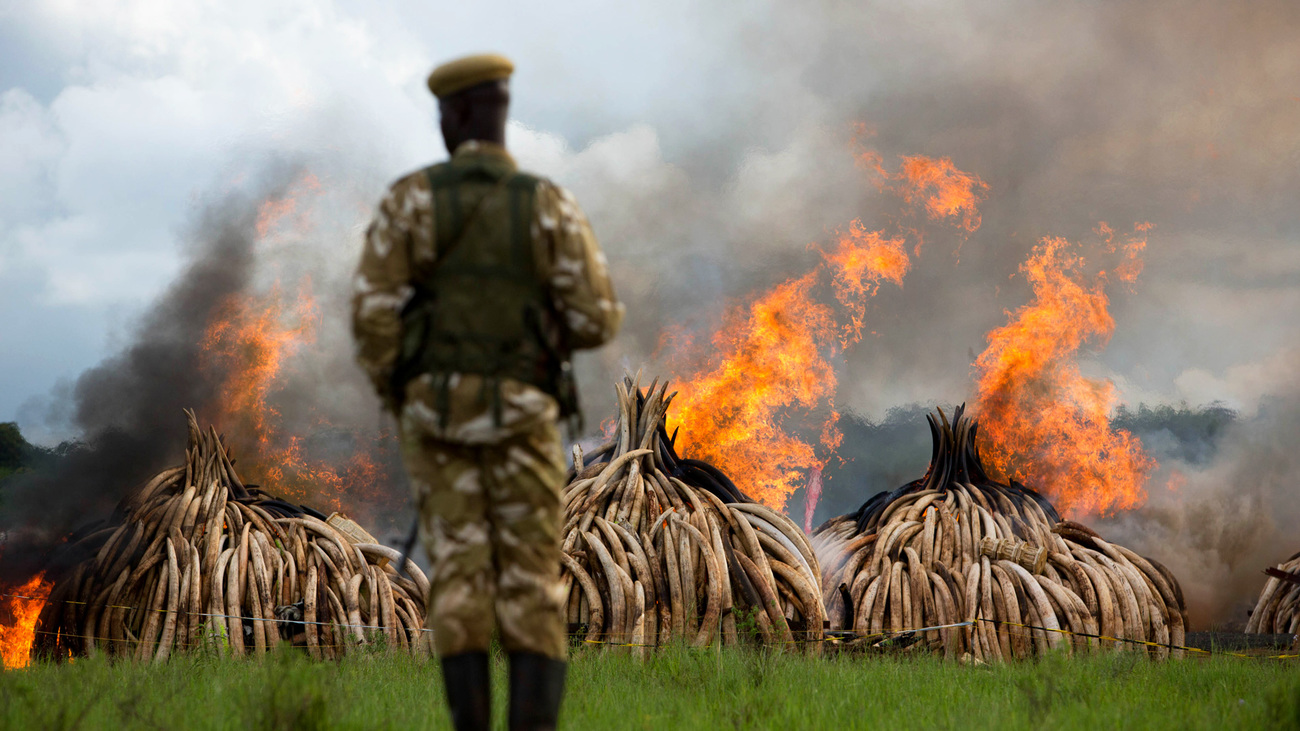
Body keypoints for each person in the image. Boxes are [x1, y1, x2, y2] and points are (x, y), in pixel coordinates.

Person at [351, 53, 623, 731]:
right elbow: (597, 318)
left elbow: (372, 314)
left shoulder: (411, 199)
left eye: (444, 111)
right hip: (526, 419)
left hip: (439, 422)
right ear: (500, 112)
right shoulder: (546, 203)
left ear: (458, 113)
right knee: (534, 584)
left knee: (460, 583)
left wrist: (405, 390)